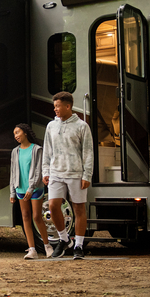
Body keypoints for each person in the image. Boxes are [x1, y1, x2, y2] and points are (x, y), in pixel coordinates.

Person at [41, 91, 95, 260]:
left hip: (75, 173)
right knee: (53, 205)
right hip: (56, 172)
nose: (55, 109)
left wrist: (87, 175)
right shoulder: (51, 126)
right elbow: (47, 150)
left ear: (68, 106)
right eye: (54, 106)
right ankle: (64, 239)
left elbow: (88, 152)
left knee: (78, 208)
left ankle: (78, 245)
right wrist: (45, 171)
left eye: (58, 106)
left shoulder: (82, 126)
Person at [9, 123, 51, 259]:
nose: (16, 136)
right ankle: (32, 249)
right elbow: (13, 172)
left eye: (18, 132)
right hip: (20, 189)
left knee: (37, 217)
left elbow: (39, 170)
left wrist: (31, 188)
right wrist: (12, 192)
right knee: (25, 217)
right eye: (14, 134)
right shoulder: (15, 151)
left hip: (35, 188)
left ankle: (47, 246)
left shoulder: (37, 149)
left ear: (25, 133)